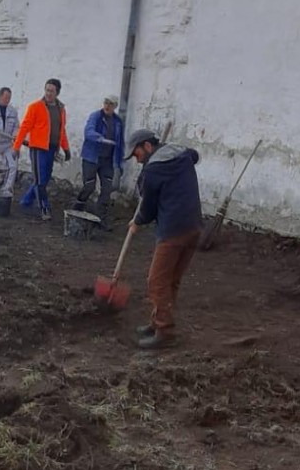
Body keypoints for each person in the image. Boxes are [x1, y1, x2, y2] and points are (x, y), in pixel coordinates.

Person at [126, 129, 203, 349]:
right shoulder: (181, 154)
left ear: (147, 146)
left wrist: (137, 222)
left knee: (157, 280)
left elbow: (148, 208)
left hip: (173, 230)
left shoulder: (153, 170)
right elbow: (195, 155)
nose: (137, 160)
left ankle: (165, 331)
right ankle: (158, 322)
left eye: (137, 154)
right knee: (171, 279)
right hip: (194, 226)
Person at [14, 78, 70, 221]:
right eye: (47, 90)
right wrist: (16, 146)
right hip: (38, 148)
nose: (48, 93)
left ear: (57, 93)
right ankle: (44, 208)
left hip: (52, 148)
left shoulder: (61, 109)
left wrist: (66, 148)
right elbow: (25, 127)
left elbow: (61, 130)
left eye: (52, 91)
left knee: (44, 178)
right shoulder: (35, 107)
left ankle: (26, 201)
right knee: (40, 180)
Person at [73, 94, 124, 230]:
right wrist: (100, 138)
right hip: (91, 157)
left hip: (107, 160)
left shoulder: (118, 122)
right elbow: (88, 131)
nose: (107, 106)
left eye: (111, 104)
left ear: (115, 106)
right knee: (89, 186)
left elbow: (120, 143)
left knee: (107, 189)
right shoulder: (96, 116)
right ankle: (77, 210)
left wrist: (120, 162)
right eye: (106, 102)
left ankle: (101, 218)